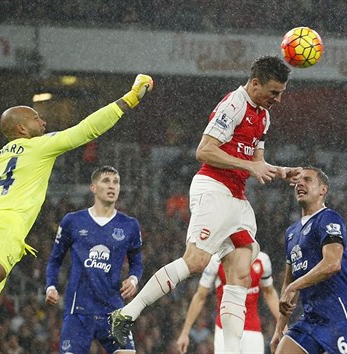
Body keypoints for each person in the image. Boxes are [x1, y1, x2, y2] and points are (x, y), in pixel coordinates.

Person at [0, 74, 153, 353]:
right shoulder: (39, 146)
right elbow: (87, 129)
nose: (43, 122)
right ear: (21, 128)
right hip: (4, 229)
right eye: (35, 118)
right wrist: (129, 99)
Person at [109, 55, 302, 353]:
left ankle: (233, 349)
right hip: (212, 187)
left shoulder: (263, 116)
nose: (278, 99)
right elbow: (204, 150)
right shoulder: (233, 105)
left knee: (243, 263)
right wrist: (249, 167)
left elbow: (257, 163)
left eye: (281, 94)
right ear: (254, 83)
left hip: (236, 196)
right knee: (196, 261)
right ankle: (127, 314)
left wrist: (282, 171)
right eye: (273, 92)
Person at [270, 167, 347, 354]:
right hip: (311, 320)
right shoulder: (292, 233)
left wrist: (294, 287)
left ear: (323, 190)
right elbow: (288, 283)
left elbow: (332, 264)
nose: (300, 183)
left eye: (307, 180)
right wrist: (279, 329)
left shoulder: (329, 218)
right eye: (298, 181)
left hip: (340, 316)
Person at [45, 166, 143, 353]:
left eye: (116, 182)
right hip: (79, 311)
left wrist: (133, 279)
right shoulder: (72, 221)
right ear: (93, 187)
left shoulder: (130, 225)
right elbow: (55, 260)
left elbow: (137, 263)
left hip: (113, 310)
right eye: (106, 181)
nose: (112, 186)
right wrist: (51, 286)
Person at [176, 251, 280, 354]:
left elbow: (269, 293)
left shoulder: (262, 259)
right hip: (225, 330)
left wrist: (283, 325)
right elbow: (200, 296)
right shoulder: (216, 260)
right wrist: (185, 332)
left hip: (253, 330)